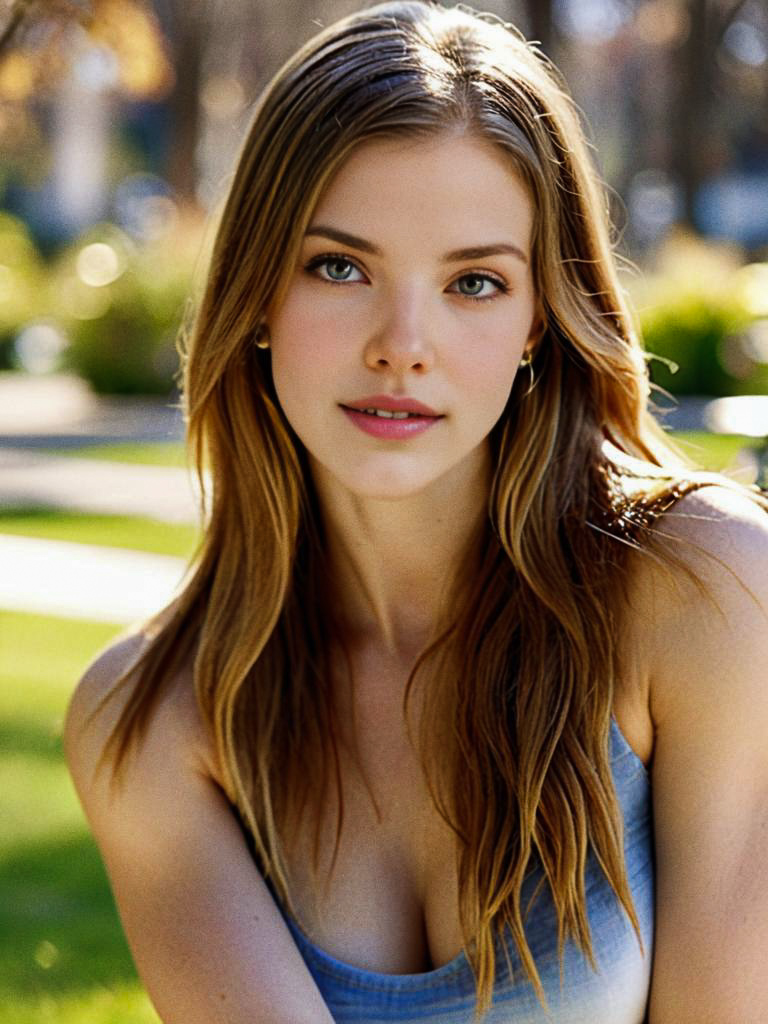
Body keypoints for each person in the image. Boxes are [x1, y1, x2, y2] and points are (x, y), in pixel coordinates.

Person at [63, 2, 768, 1022]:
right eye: (339, 266)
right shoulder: (150, 721)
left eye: (474, 282)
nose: (403, 343)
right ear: (260, 291)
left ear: (539, 321)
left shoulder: (706, 589)